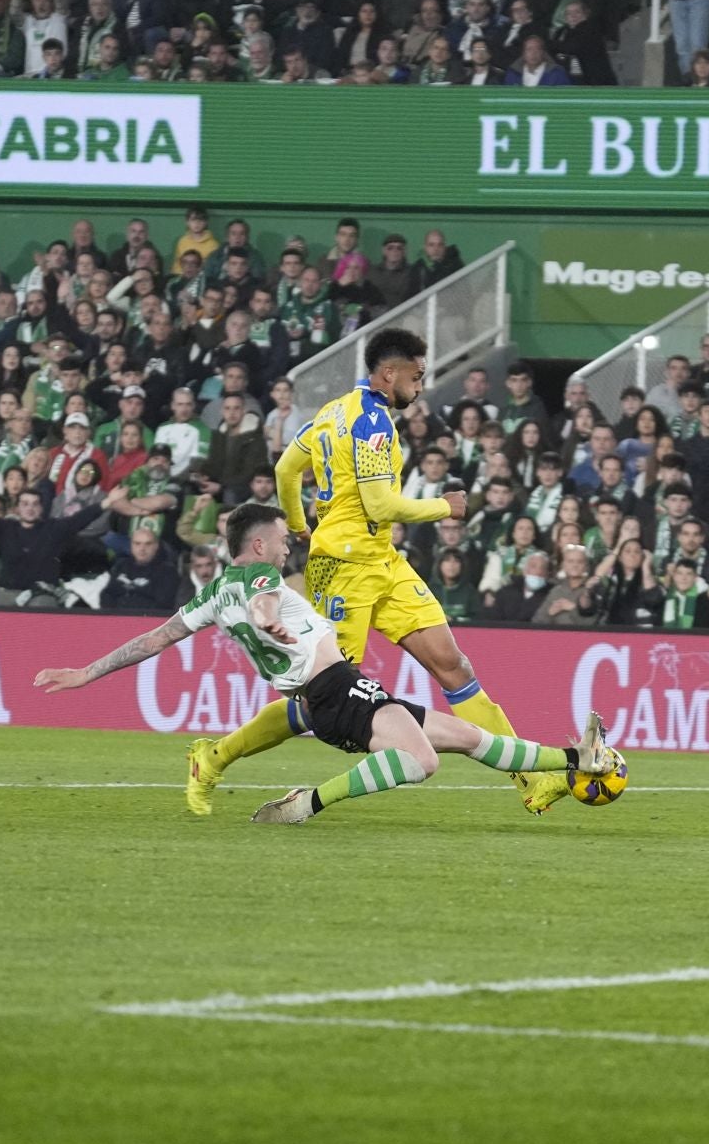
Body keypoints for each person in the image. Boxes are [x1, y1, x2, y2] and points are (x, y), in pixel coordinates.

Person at [32, 502, 623, 823]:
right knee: (422, 760)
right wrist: (268, 617)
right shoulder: (258, 576)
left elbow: (155, 640)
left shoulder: (210, 595)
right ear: (257, 545)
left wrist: (87, 672)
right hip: (335, 691)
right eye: (281, 537)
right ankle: (306, 805)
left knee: (468, 737)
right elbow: (264, 597)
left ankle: (577, 758)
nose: (289, 543)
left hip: (330, 694)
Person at [192, 328, 571, 816]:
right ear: (389, 373)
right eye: (417, 375)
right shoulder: (370, 421)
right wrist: (445, 507)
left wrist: (300, 524)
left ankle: (531, 780)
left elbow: (286, 469)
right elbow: (380, 503)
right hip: (345, 569)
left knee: (453, 665)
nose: (421, 384)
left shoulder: (332, 412)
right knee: (323, 696)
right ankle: (215, 756)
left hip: (383, 560)